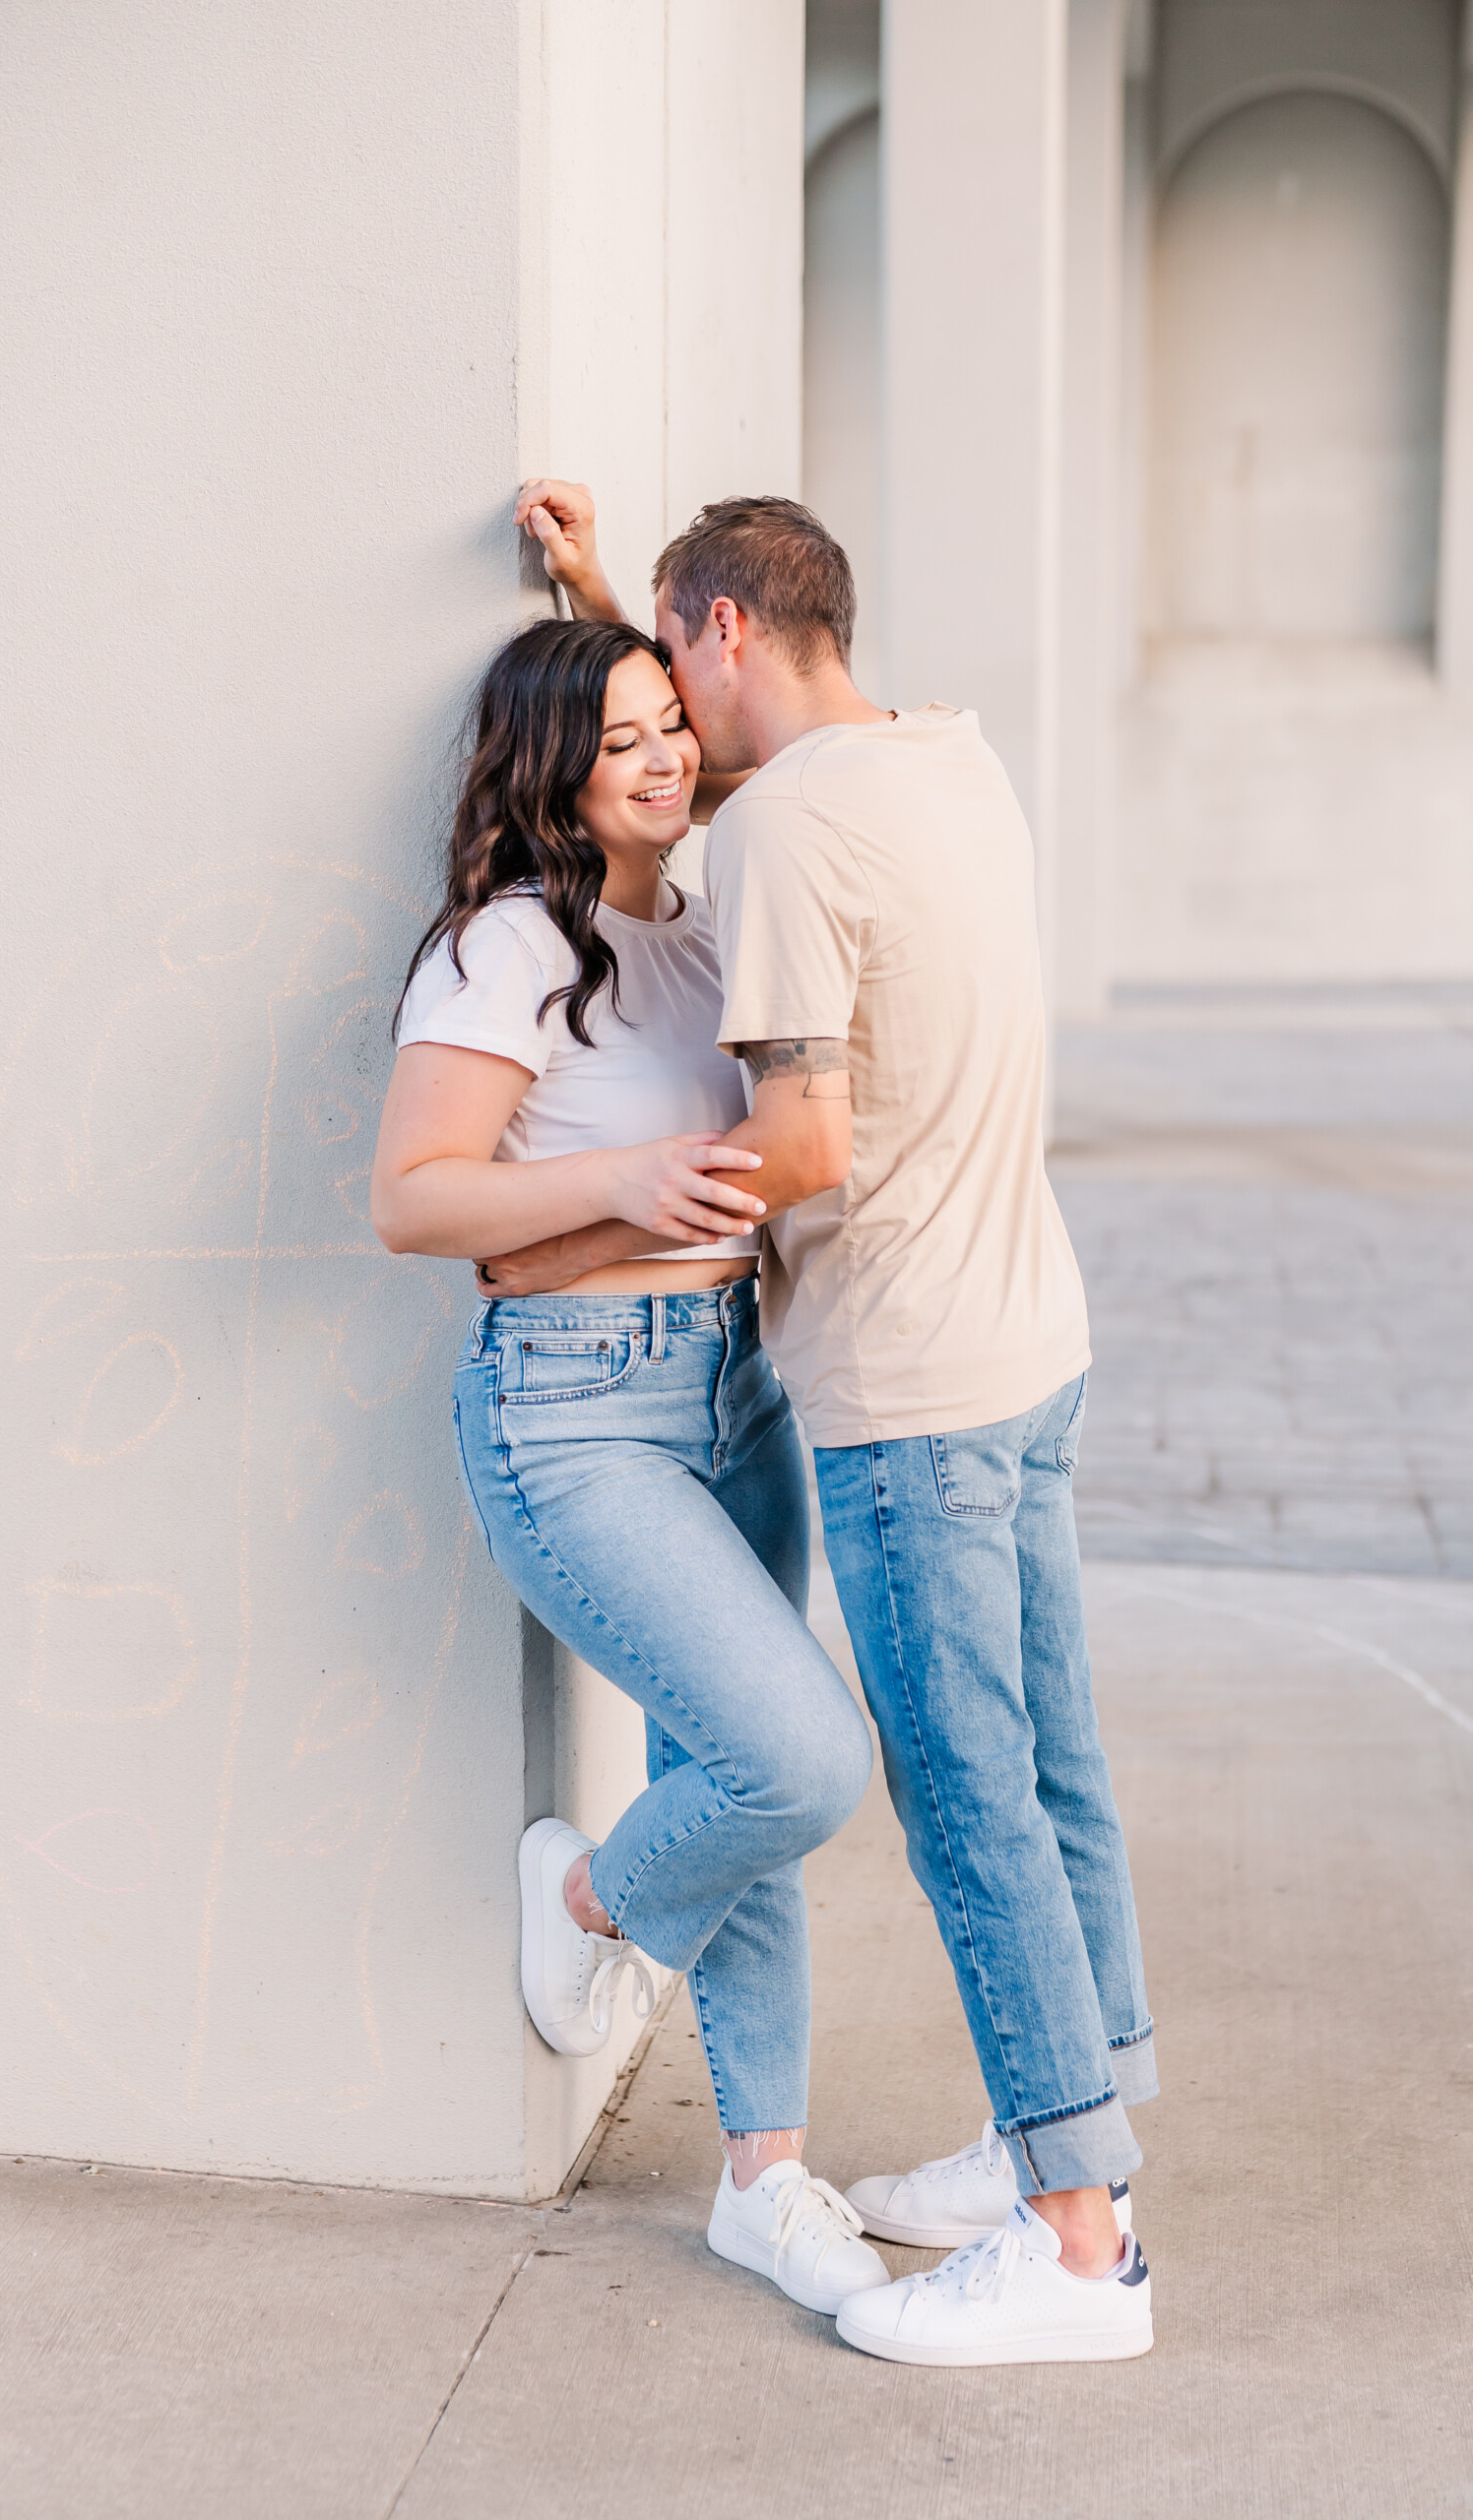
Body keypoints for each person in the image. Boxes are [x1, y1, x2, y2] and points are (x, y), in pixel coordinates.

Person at [481, 480, 1158, 2367]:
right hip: (1035, 1337)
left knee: (966, 1810)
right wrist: (619, 599)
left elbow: (797, 1146)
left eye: (670, 683)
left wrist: (569, 1233)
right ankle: (1090, 2129)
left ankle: (1079, 2251)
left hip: (913, 1389)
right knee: (1061, 1775)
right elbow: (760, 793)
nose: (671, 746)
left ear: (718, 645)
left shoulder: (778, 829)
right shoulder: (948, 761)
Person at [371, 613, 890, 2320]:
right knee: (795, 1759)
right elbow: (416, 1201)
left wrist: (606, 590)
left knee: (732, 1765)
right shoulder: (508, 945)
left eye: (673, 720)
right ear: (549, 771)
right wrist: (626, 1185)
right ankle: (591, 1897)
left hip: (733, 1384)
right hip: (575, 1411)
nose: (668, 758)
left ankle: (766, 2175)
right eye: (621, 741)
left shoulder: (707, 908)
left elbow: (769, 731)